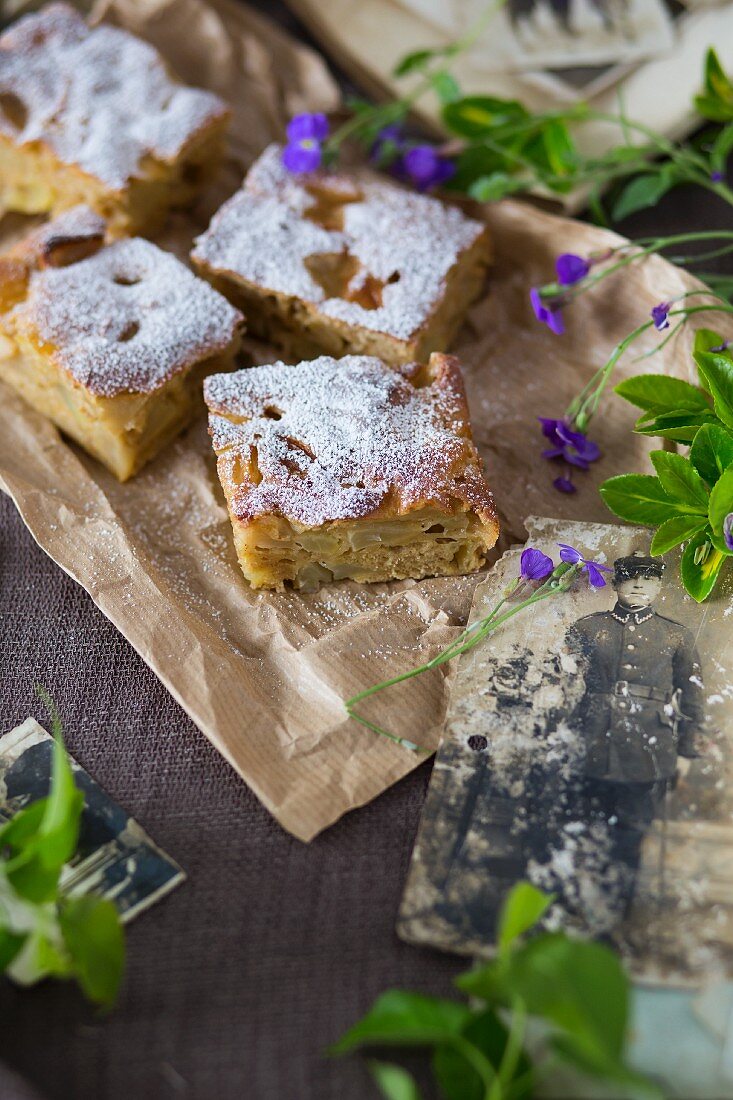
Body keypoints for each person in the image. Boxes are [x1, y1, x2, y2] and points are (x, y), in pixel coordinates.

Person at [566, 550, 705, 915]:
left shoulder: (676, 636)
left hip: (648, 746)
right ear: (616, 583)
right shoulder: (587, 628)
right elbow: (562, 682)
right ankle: (573, 901)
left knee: (632, 828)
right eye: (631, 578)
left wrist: (688, 751)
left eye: (649, 579)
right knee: (581, 821)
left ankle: (616, 908)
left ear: (659, 586)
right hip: (590, 738)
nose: (640, 584)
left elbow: (692, 696)